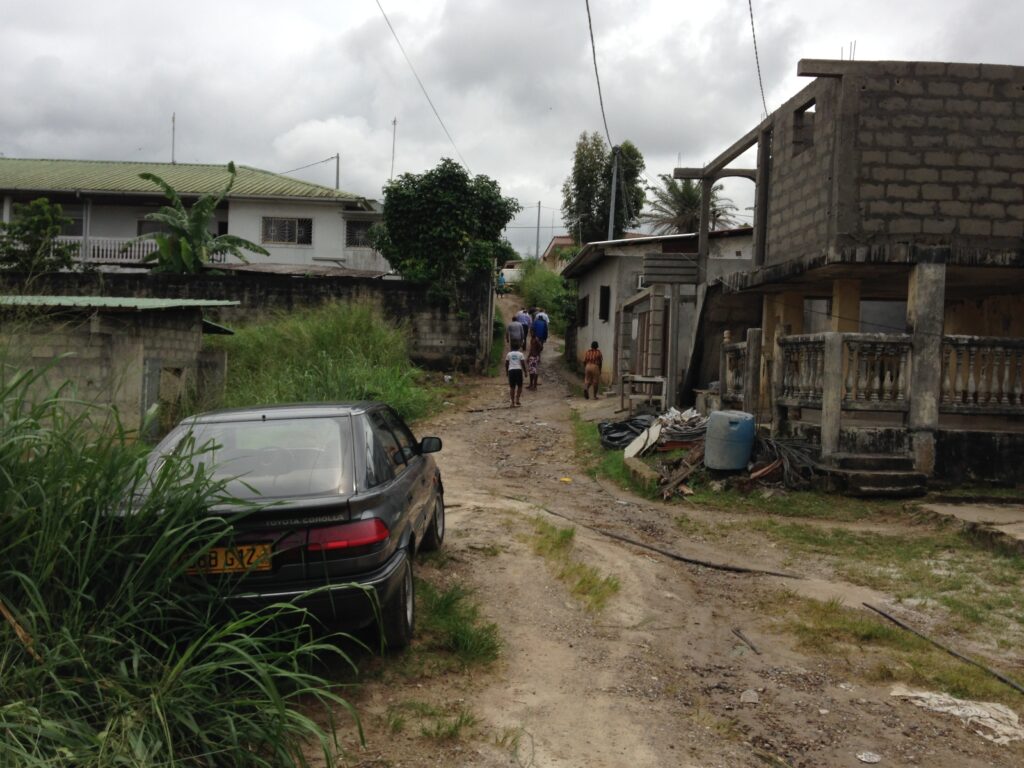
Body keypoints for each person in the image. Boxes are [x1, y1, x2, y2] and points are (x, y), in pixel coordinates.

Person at [505, 341, 526, 407]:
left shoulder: (509, 354)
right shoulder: (520, 354)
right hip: (518, 370)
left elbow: (506, 364)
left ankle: (512, 402)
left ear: (511, 347)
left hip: (511, 370)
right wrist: (525, 372)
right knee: (519, 386)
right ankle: (517, 399)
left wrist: (506, 372)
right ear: (518, 347)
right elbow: (523, 363)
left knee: (512, 387)